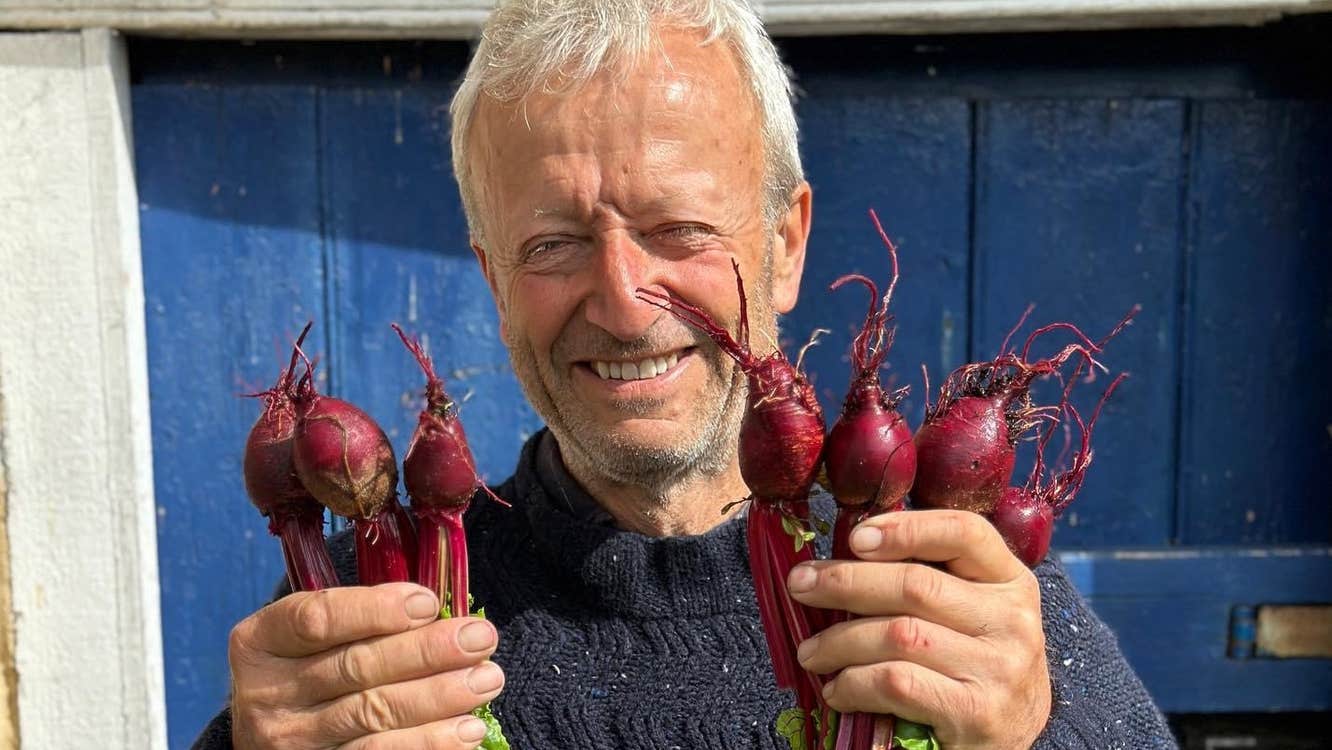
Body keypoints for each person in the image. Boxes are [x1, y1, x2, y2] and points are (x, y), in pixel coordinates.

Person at [196, 1, 1178, 748]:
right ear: (494, 281)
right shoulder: (378, 639)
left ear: (787, 244)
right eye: (553, 243)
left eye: (681, 231)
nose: (624, 302)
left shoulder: (972, 617)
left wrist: (1043, 731)